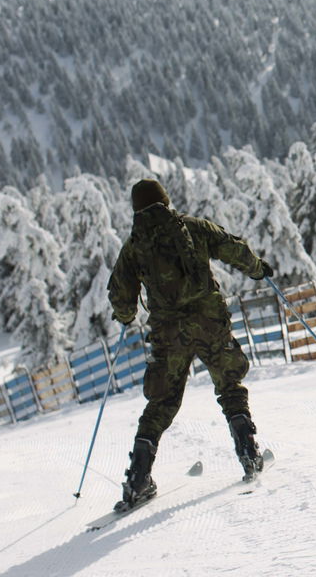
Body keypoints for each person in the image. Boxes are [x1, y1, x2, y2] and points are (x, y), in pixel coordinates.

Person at [107, 179, 273, 509]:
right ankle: (248, 452)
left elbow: (120, 294)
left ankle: (138, 480)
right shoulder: (191, 227)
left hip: (169, 335)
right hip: (210, 321)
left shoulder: (134, 246)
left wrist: (126, 316)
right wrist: (257, 269)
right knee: (229, 385)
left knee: (161, 403)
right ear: (165, 201)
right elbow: (231, 246)